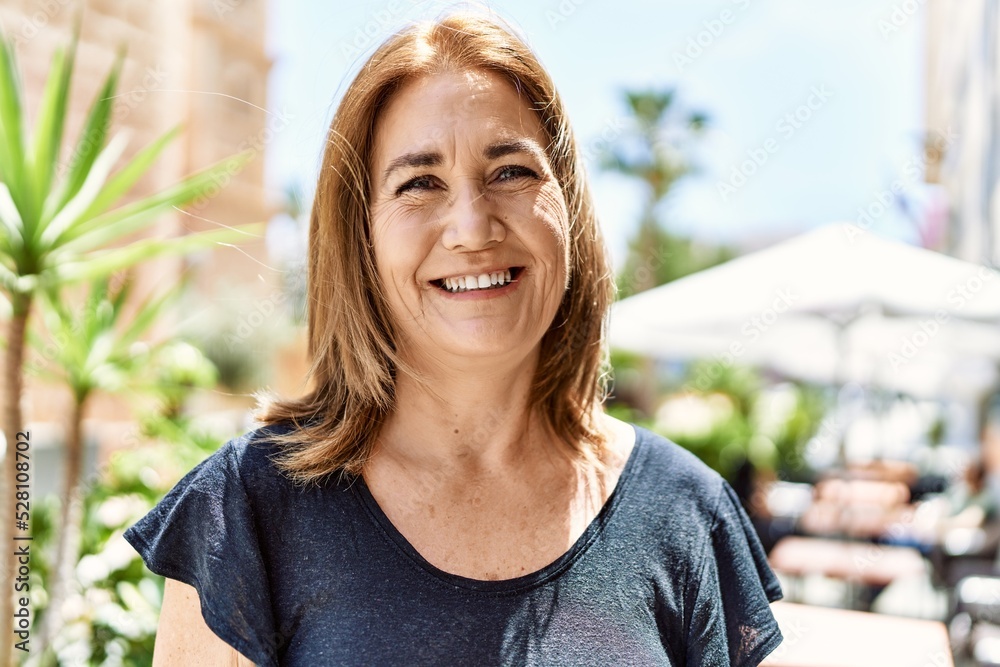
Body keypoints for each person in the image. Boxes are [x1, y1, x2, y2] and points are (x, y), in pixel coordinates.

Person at [124, 12, 783, 666]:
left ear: (570, 208)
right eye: (419, 183)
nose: (472, 227)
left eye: (510, 172)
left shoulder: (686, 512)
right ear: (362, 239)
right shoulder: (248, 509)